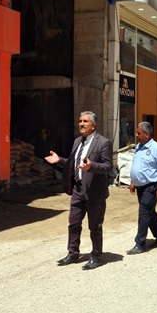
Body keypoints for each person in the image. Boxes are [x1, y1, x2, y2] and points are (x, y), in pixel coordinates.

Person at [44, 111, 113, 270]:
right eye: (80, 121)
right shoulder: (77, 142)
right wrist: (60, 160)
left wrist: (92, 166)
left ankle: (96, 257)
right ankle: (72, 253)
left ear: (93, 125)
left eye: (85, 121)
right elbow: (73, 164)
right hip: (78, 189)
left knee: (95, 226)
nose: (81, 124)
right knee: (73, 223)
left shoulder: (103, 143)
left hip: (95, 192)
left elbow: (108, 166)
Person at [127, 121, 157, 255]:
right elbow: (137, 165)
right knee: (150, 213)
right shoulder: (139, 147)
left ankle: (140, 244)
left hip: (151, 187)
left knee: (144, 213)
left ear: (147, 134)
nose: (136, 135)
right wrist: (133, 181)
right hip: (140, 187)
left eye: (139, 133)